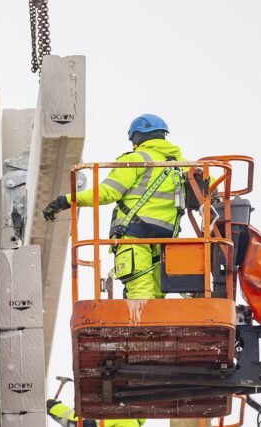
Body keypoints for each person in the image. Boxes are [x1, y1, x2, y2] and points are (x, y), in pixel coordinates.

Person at [42, 113, 185, 299]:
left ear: (137, 138)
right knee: (157, 296)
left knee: (140, 294)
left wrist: (65, 201)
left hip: (135, 236)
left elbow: (107, 192)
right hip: (167, 241)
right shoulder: (183, 166)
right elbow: (210, 188)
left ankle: (141, 326)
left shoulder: (136, 159)